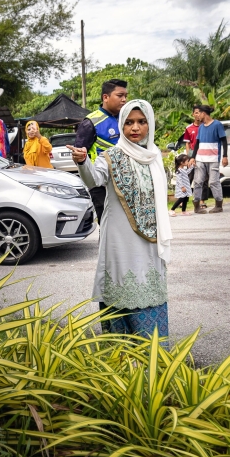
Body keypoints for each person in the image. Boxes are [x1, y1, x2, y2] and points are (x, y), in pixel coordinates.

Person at [67, 99, 171, 340]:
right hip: (119, 236)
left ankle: (153, 350)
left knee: (148, 282)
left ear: (149, 124)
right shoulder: (111, 156)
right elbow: (94, 179)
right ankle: (120, 349)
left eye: (141, 122)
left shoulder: (154, 155)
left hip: (151, 238)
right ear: (121, 125)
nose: (135, 128)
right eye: (129, 122)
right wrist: (82, 162)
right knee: (121, 281)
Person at [74, 79, 128, 223]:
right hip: (101, 185)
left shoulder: (127, 118)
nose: (124, 99)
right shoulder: (90, 122)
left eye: (125, 96)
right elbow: (78, 156)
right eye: (120, 95)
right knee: (107, 225)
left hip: (125, 183)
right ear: (105, 97)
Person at [188, 104, 228, 213]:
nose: (197, 116)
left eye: (199, 113)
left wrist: (225, 156)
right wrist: (193, 157)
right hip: (200, 159)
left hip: (213, 159)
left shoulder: (217, 124)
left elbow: (224, 141)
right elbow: (197, 143)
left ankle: (218, 206)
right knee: (198, 181)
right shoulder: (201, 127)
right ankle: (196, 206)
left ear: (204, 113)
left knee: (214, 182)